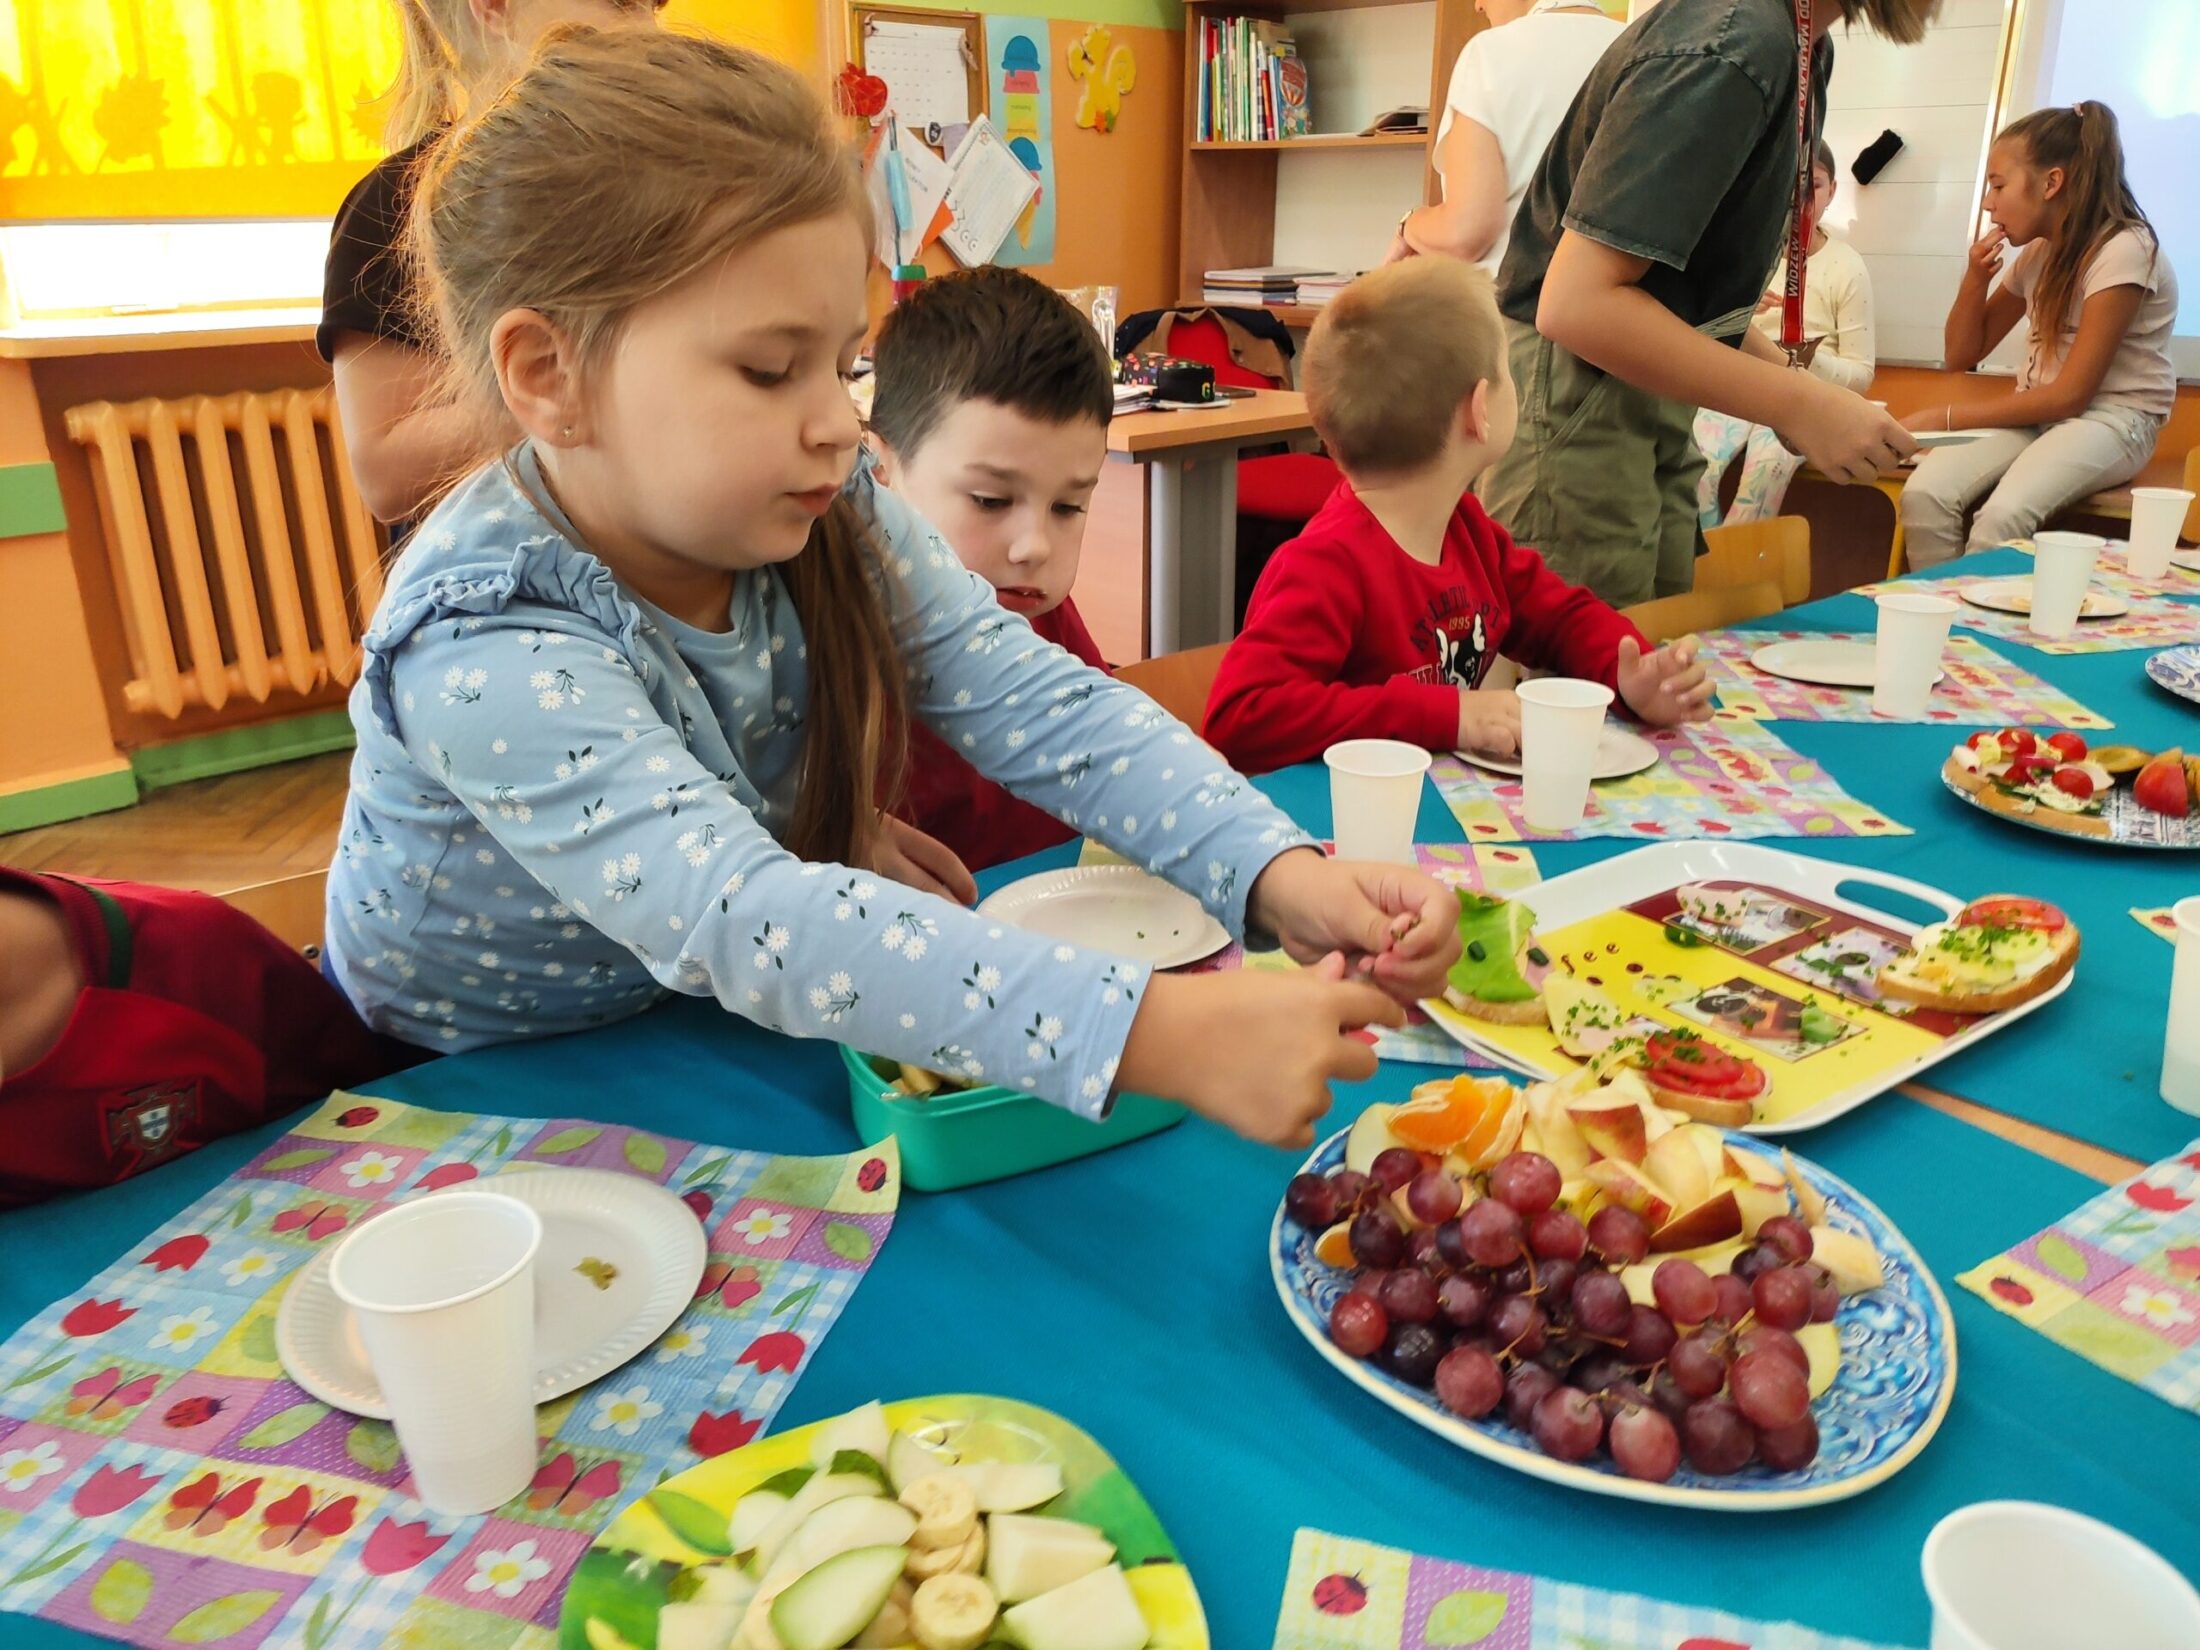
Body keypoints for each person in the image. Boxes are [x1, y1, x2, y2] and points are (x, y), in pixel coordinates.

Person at [324, 27, 1464, 1148]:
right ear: (547, 376)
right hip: (462, 1092)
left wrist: (1274, 868)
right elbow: (737, 914)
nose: (835, 419)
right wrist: (1154, 1033)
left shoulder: (822, 506)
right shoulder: (480, 633)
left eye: (837, 360)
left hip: (696, 1020)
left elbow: (1038, 700)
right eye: (771, 370)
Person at [1476, 0, 1929, 607]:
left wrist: (1812, 400)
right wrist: (1799, 403)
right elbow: (1576, 305)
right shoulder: (1736, 39)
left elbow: (1685, 295)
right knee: (1590, 679)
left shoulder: (1800, 45)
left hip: (1637, 382)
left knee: (1656, 661)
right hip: (1580, 383)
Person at [1204, 259, 1713, 777]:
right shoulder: (1325, 565)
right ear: (1479, 410)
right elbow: (1239, 720)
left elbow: (1559, 618)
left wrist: (1629, 675)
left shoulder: (1467, 530)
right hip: (1349, 834)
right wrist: (1449, 714)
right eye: (1509, 371)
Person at [319, 0, 666, 527]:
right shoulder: (396, 205)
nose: (651, 23)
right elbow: (386, 476)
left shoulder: (668, 174)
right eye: (623, 1)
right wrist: (605, 386)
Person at [866, 268, 1114, 874]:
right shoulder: (836, 643)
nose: (1033, 547)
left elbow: (1109, 748)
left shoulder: (1033, 609)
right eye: (990, 501)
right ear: (878, 472)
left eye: (1069, 507)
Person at [1900, 102, 2177, 567]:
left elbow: (2070, 396)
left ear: (2051, 183)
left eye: (1998, 185)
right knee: (1924, 493)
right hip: (2041, 415)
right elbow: (1961, 354)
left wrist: (1944, 418)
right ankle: (1943, 624)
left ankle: (1978, 635)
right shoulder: (2037, 256)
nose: (1988, 202)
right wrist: (1974, 278)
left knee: (2001, 517)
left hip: (2114, 420)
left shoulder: (2125, 250)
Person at [1694, 141, 1877, 528]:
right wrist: (1733, 317)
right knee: (1696, 470)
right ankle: (1704, 570)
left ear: (1833, 192)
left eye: (1816, 185)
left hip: (1805, 401)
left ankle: (1738, 576)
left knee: (1763, 473)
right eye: (1789, 185)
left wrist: (1809, 361)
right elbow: (1699, 342)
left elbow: (1861, 375)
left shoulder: (1847, 267)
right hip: (1734, 393)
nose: (1801, 199)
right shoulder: (1744, 258)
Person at [1390, 0, 1625, 274]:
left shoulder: (1490, 53)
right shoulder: (1645, 52)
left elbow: (1465, 233)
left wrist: (1409, 224)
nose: (1478, 6)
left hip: (1505, 307)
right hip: (1623, 308)